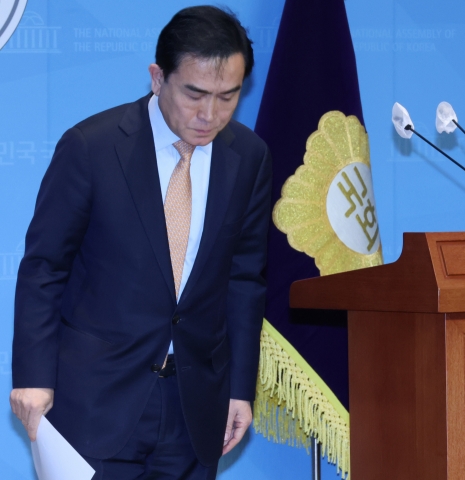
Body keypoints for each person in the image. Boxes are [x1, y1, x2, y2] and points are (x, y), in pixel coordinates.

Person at [10, 5, 271, 479]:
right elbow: (45, 266)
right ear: (157, 77)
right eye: (195, 93)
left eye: (228, 96)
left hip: (194, 408)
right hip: (96, 401)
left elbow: (244, 279)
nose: (209, 115)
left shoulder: (248, 157)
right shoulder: (92, 146)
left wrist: (239, 388)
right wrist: (32, 376)